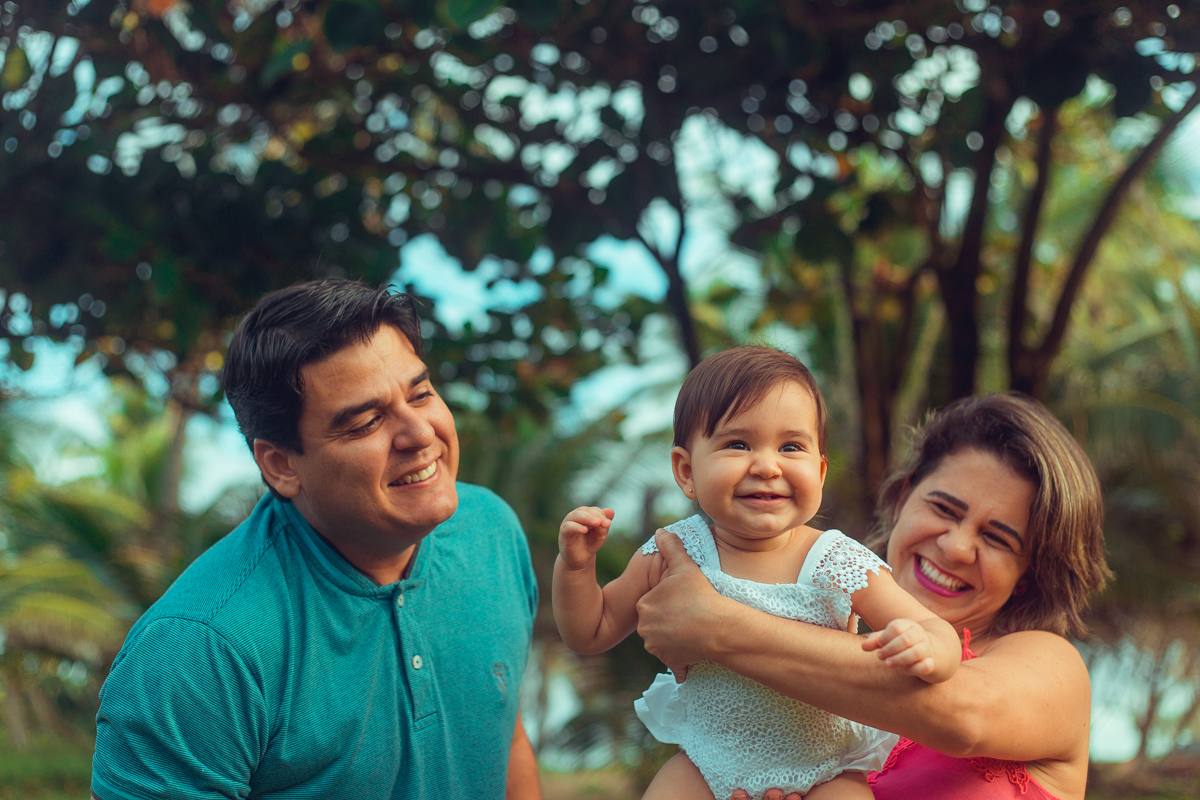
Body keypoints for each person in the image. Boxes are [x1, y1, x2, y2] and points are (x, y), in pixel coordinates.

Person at [91, 279, 541, 800]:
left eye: (421, 394)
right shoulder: (200, 647)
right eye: (365, 422)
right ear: (281, 466)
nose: (419, 434)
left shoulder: (491, 530)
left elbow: (504, 738)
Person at [635, 392, 1111, 800]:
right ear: (904, 498)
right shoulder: (792, 661)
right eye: (944, 508)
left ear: (1027, 574)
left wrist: (715, 625)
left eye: (999, 539)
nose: (957, 547)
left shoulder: (1051, 664)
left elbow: (961, 714)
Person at [552, 347, 963, 800]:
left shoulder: (835, 559)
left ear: (820, 471)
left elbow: (933, 629)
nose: (767, 466)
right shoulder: (674, 551)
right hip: (707, 765)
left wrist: (928, 649)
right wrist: (576, 566)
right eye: (738, 444)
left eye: (791, 447)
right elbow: (590, 631)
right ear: (686, 471)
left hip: (825, 769)